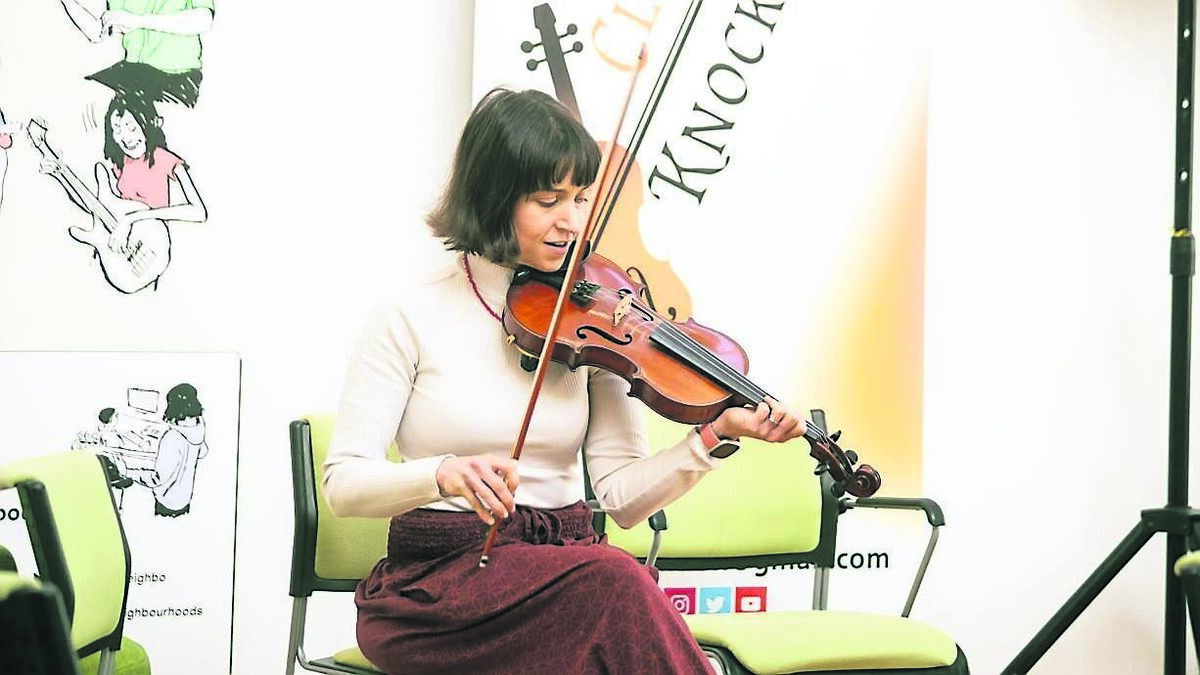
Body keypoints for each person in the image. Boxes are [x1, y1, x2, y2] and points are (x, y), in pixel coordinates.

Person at [323, 87, 806, 675]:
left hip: (569, 568)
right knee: (615, 588)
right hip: (443, 586)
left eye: (581, 198)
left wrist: (713, 436)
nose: (572, 221)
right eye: (548, 200)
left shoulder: (596, 319)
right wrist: (442, 474)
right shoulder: (410, 315)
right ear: (493, 198)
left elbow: (622, 502)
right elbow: (345, 485)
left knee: (607, 592)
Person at [41, 96, 206, 255]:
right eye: (117, 129)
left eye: (131, 127)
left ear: (146, 125)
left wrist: (132, 219)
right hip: (122, 249)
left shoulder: (164, 158)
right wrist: (60, 174)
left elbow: (199, 212)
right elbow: (99, 209)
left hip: (152, 247)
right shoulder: (119, 165)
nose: (126, 137)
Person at [130, 383, 208, 517]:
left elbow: (156, 479)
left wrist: (128, 472)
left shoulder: (172, 438)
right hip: (184, 498)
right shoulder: (197, 427)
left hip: (167, 501)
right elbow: (202, 451)